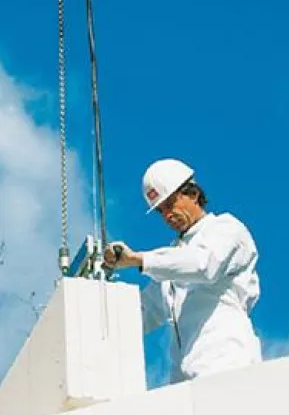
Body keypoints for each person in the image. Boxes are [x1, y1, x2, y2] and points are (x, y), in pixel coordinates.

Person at [104, 158, 261, 382]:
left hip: (227, 361)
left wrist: (138, 260)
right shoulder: (173, 260)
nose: (167, 215)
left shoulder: (226, 229)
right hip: (184, 373)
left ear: (193, 194)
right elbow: (145, 312)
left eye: (170, 204)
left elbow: (203, 265)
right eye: (160, 211)